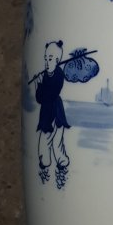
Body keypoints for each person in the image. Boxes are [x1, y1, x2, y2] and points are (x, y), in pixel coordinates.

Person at [35, 40, 70, 182]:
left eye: (50, 59)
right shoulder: (44, 75)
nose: (46, 62)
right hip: (46, 112)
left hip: (56, 110)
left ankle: (62, 167)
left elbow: (51, 94)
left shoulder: (59, 75)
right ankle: (44, 167)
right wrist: (38, 84)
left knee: (57, 141)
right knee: (45, 140)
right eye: (45, 59)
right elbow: (39, 99)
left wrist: (41, 85)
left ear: (57, 60)